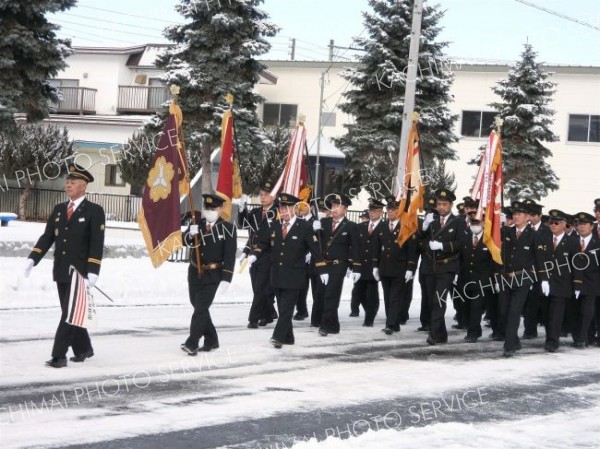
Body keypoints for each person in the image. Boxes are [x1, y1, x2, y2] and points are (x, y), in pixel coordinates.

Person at [23, 164, 105, 368]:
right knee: (70, 311)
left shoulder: (94, 211)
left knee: (68, 313)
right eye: (67, 182)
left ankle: (59, 356)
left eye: (73, 182)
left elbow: (97, 243)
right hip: (61, 270)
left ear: (83, 186)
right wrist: (33, 257)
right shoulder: (59, 210)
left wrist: (93, 270)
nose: (68, 185)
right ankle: (84, 348)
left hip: (80, 272)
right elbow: (48, 237)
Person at [250, 193, 327, 349]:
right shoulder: (276, 225)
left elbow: (315, 250)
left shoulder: (304, 227)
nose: (283, 211)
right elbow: (262, 242)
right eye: (281, 208)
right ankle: (288, 337)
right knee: (281, 307)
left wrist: (322, 268)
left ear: (294, 208)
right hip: (277, 275)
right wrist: (254, 254)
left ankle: (277, 337)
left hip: (294, 276)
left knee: (286, 309)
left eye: (287, 208)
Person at [180, 194, 236, 355]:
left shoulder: (228, 229)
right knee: (198, 306)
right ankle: (212, 339)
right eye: (207, 208)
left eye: (213, 208)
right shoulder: (197, 223)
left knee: (201, 308)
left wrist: (227, 278)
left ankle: (192, 342)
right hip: (194, 271)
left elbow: (229, 256)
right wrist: (190, 234)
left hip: (213, 274)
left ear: (220, 209)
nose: (209, 211)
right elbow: (184, 241)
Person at [495, 201, 544, 358]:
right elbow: (497, 252)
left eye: (519, 214)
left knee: (514, 312)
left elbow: (540, 259)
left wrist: (542, 279)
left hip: (523, 279)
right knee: (504, 311)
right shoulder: (506, 232)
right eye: (514, 214)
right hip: (505, 278)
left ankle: (509, 345)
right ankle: (514, 340)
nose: (516, 217)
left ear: (528, 217)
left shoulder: (535, 235)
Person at [419, 189, 465, 345]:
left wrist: (443, 246)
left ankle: (433, 334)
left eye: (444, 204)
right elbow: (420, 240)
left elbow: (461, 244)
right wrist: (424, 226)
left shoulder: (458, 222)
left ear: (451, 205)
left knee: (439, 301)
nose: (441, 207)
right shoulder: (432, 220)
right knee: (432, 301)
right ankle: (441, 334)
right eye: (439, 204)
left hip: (447, 268)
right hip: (431, 267)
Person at [317, 193, 361, 336]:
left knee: (331, 294)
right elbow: (316, 242)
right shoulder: (324, 223)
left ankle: (324, 326)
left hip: (339, 264)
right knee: (323, 294)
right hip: (324, 264)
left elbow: (355, 247)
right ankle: (334, 326)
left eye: (338, 206)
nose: (334, 209)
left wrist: (356, 267)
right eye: (333, 206)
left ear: (345, 209)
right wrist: (312, 227)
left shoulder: (351, 226)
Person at [536, 209, 579, 352]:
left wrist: (577, 283)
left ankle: (552, 342)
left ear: (563, 224)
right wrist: (543, 279)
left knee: (556, 315)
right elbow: (540, 260)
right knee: (547, 314)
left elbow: (577, 265)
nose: (552, 225)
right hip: (545, 283)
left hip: (562, 285)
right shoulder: (543, 238)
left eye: (556, 223)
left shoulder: (572, 241)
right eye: (551, 222)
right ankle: (550, 337)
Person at [374, 197, 418, 335]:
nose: (391, 212)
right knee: (387, 297)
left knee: (395, 297)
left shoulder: (406, 226)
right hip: (385, 267)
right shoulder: (381, 226)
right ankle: (394, 323)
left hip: (400, 268)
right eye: (389, 210)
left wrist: (410, 268)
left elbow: (412, 249)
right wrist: (375, 266)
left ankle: (390, 324)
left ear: (399, 211)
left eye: (394, 210)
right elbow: (377, 247)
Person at [238, 180, 278, 328]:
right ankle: (268, 314)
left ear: (273, 197)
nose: (263, 197)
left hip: (269, 254)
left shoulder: (278, 213)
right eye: (261, 194)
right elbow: (244, 225)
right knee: (258, 288)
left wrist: (257, 251)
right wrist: (242, 209)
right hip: (254, 255)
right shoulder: (255, 213)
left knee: (261, 287)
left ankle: (253, 319)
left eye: (266, 195)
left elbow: (269, 235)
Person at [458, 213, 497, 343]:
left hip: (482, 281)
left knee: (476, 307)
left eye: (477, 223)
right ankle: (474, 329)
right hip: (466, 279)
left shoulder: (489, 240)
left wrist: (492, 279)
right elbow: (461, 258)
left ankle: (472, 333)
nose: (474, 226)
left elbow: (494, 262)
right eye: (472, 223)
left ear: (483, 224)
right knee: (466, 307)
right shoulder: (465, 237)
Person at [522, 199, 552, 340]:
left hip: (542, 270)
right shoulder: (524, 230)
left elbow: (547, 253)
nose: (531, 218)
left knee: (545, 304)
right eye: (529, 215)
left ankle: (550, 332)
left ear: (540, 216)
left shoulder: (547, 231)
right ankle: (530, 330)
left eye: (534, 215)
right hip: (526, 272)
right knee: (529, 303)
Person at [355, 198, 386, 326]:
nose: (372, 213)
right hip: (362, 265)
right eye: (370, 210)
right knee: (359, 293)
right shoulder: (361, 227)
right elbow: (356, 246)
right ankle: (369, 311)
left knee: (372, 294)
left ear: (381, 212)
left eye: (375, 210)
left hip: (375, 265)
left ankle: (370, 317)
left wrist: (378, 265)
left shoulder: (385, 227)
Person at [571, 211, 600, 348]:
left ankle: (582, 338)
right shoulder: (571, 241)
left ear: (591, 226)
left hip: (592, 283)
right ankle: (579, 336)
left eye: (584, 224)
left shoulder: (597, 243)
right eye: (579, 224)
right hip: (574, 282)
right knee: (574, 311)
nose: (581, 227)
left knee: (587, 311)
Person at [349, 209, 370, 318]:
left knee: (367, 289)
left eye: (365, 218)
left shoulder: (372, 230)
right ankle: (355, 309)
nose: (363, 220)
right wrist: (351, 262)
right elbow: (353, 247)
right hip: (359, 263)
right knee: (357, 288)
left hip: (369, 263)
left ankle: (368, 309)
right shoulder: (358, 229)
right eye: (362, 218)